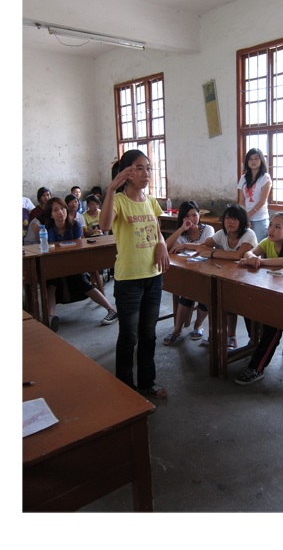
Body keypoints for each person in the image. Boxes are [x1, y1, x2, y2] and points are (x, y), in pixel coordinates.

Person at [98, 150, 170, 398]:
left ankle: (147, 382)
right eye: (139, 168)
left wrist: (162, 243)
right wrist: (110, 189)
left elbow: (156, 230)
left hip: (153, 276)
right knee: (129, 336)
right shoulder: (118, 200)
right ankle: (125, 387)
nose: (146, 173)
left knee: (148, 334)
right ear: (127, 173)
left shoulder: (151, 201)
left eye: (148, 168)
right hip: (129, 279)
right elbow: (104, 225)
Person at [174, 203, 257, 349]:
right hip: (230, 275)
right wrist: (195, 247)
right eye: (228, 218)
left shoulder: (248, 234)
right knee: (215, 296)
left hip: (249, 280)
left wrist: (212, 253)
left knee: (230, 300)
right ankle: (220, 334)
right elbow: (202, 247)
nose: (230, 222)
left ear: (243, 221)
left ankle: (231, 336)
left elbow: (238, 255)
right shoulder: (222, 234)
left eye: (235, 219)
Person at [234, 213, 283, 385]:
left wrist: (259, 261)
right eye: (271, 224)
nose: (271, 229)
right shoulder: (267, 242)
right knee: (246, 306)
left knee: (273, 326)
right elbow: (249, 252)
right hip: (271, 292)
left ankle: (257, 368)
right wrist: (251, 257)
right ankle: (255, 341)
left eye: (277, 227)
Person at [43, 198, 118, 332]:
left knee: (82, 282)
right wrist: (64, 283)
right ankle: (50, 317)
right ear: (50, 214)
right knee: (51, 283)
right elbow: (52, 255)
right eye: (55, 210)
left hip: (74, 263)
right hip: (56, 265)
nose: (60, 212)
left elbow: (76, 249)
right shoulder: (48, 230)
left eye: (62, 208)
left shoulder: (75, 226)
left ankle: (112, 310)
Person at [163, 201, 215, 344]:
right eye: (187, 216)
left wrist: (185, 245)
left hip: (207, 272)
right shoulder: (181, 234)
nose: (191, 219)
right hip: (188, 273)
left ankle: (198, 325)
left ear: (199, 215)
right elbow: (166, 246)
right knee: (186, 295)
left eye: (194, 215)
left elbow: (206, 247)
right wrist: (181, 229)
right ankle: (177, 330)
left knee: (206, 295)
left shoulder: (208, 229)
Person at [238, 148, 272, 242]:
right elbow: (241, 200)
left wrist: (247, 216)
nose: (253, 161)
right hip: (246, 218)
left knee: (258, 246)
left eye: (256, 158)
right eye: (250, 159)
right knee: (245, 245)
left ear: (261, 160)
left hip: (260, 219)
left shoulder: (265, 177)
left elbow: (262, 201)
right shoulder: (243, 178)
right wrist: (245, 217)